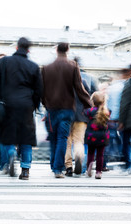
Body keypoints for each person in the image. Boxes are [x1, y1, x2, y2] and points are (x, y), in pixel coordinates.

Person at [0, 37, 42, 180]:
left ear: (16, 47)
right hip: (26, 105)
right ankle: (25, 170)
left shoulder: (4, 62)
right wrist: (34, 105)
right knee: (26, 137)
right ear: (28, 49)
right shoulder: (33, 66)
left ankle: (11, 154)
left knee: (7, 134)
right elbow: (39, 89)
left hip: (7, 103)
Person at [42, 42, 91, 178]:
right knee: (62, 138)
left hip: (51, 109)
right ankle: (58, 169)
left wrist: (45, 104)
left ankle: (54, 165)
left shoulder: (46, 68)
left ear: (56, 50)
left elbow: (42, 90)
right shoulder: (73, 66)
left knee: (53, 138)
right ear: (67, 50)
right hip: (67, 108)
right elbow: (79, 87)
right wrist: (88, 104)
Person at [64, 59, 91, 177]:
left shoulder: (64, 83)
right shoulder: (83, 82)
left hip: (67, 115)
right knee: (79, 141)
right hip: (81, 116)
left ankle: (69, 167)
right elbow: (87, 98)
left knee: (67, 142)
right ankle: (79, 156)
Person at [104, 67, 131, 170]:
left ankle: (126, 165)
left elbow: (122, 104)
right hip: (126, 119)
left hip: (119, 119)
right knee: (125, 142)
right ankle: (126, 163)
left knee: (119, 141)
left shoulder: (119, 86)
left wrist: (118, 120)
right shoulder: (126, 85)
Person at [84, 91, 111, 179]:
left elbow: (85, 114)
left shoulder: (89, 111)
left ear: (92, 101)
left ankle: (89, 166)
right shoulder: (107, 112)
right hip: (102, 137)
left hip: (91, 136)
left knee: (90, 153)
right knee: (100, 155)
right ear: (103, 101)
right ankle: (98, 172)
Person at [118, 67, 131, 175]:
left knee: (127, 143)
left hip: (130, 120)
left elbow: (124, 104)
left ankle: (128, 166)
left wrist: (121, 121)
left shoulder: (129, 84)